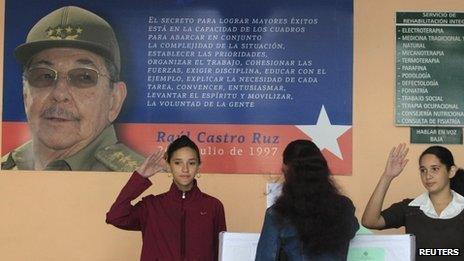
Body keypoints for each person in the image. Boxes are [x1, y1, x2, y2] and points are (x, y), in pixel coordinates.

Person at [1, 6, 143, 171]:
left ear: (114, 101)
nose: (59, 94)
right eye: (44, 76)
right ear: (25, 93)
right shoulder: (6, 170)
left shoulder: (145, 183)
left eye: (83, 77)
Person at [106, 135, 226, 261]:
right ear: (168, 166)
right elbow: (115, 216)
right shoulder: (151, 206)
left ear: (198, 166)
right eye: (177, 162)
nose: (185, 169)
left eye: (191, 163)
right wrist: (140, 177)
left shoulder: (213, 206)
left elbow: (221, 253)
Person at [255, 140, 359, 260]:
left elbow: (265, 257)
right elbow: (352, 229)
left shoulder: (277, 214)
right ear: (323, 171)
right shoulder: (344, 207)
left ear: (287, 172)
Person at [362, 144, 464, 260]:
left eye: (435, 169)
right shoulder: (410, 208)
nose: (428, 176)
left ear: (451, 171)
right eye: (423, 170)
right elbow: (370, 222)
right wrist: (387, 176)